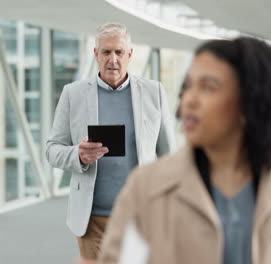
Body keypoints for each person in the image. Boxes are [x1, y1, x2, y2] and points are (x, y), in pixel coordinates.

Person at [100, 37, 271, 264]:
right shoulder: (146, 187)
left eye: (208, 87)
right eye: (187, 87)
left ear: (251, 100)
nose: (189, 100)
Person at [46, 22, 175, 260]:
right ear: (96, 54)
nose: (113, 59)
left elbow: (168, 155)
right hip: (91, 219)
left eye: (119, 52)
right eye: (106, 52)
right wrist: (78, 155)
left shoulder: (153, 92)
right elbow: (52, 149)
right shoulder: (72, 94)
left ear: (130, 54)